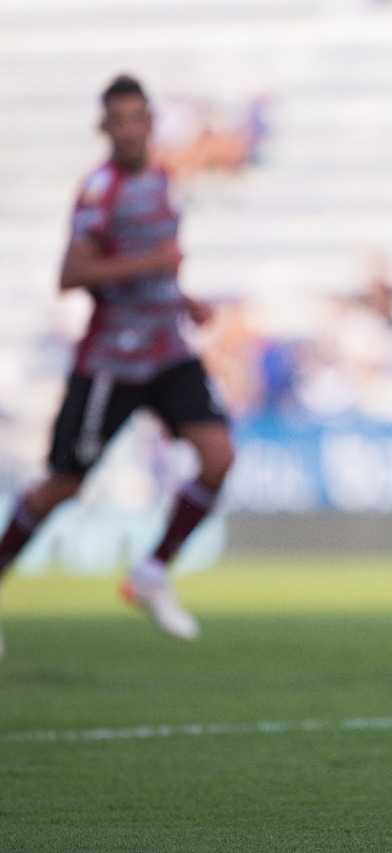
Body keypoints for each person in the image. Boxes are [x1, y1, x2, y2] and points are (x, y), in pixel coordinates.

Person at [0, 75, 235, 651]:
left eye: (138, 118)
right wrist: (150, 261)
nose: (130, 130)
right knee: (64, 484)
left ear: (151, 122)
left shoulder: (161, 178)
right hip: (113, 362)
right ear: (103, 128)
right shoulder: (98, 191)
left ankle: (151, 572)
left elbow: (157, 268)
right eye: (119, 120)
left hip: (168, 351)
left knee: (218, 456)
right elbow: (71, 274)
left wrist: (184, 299)